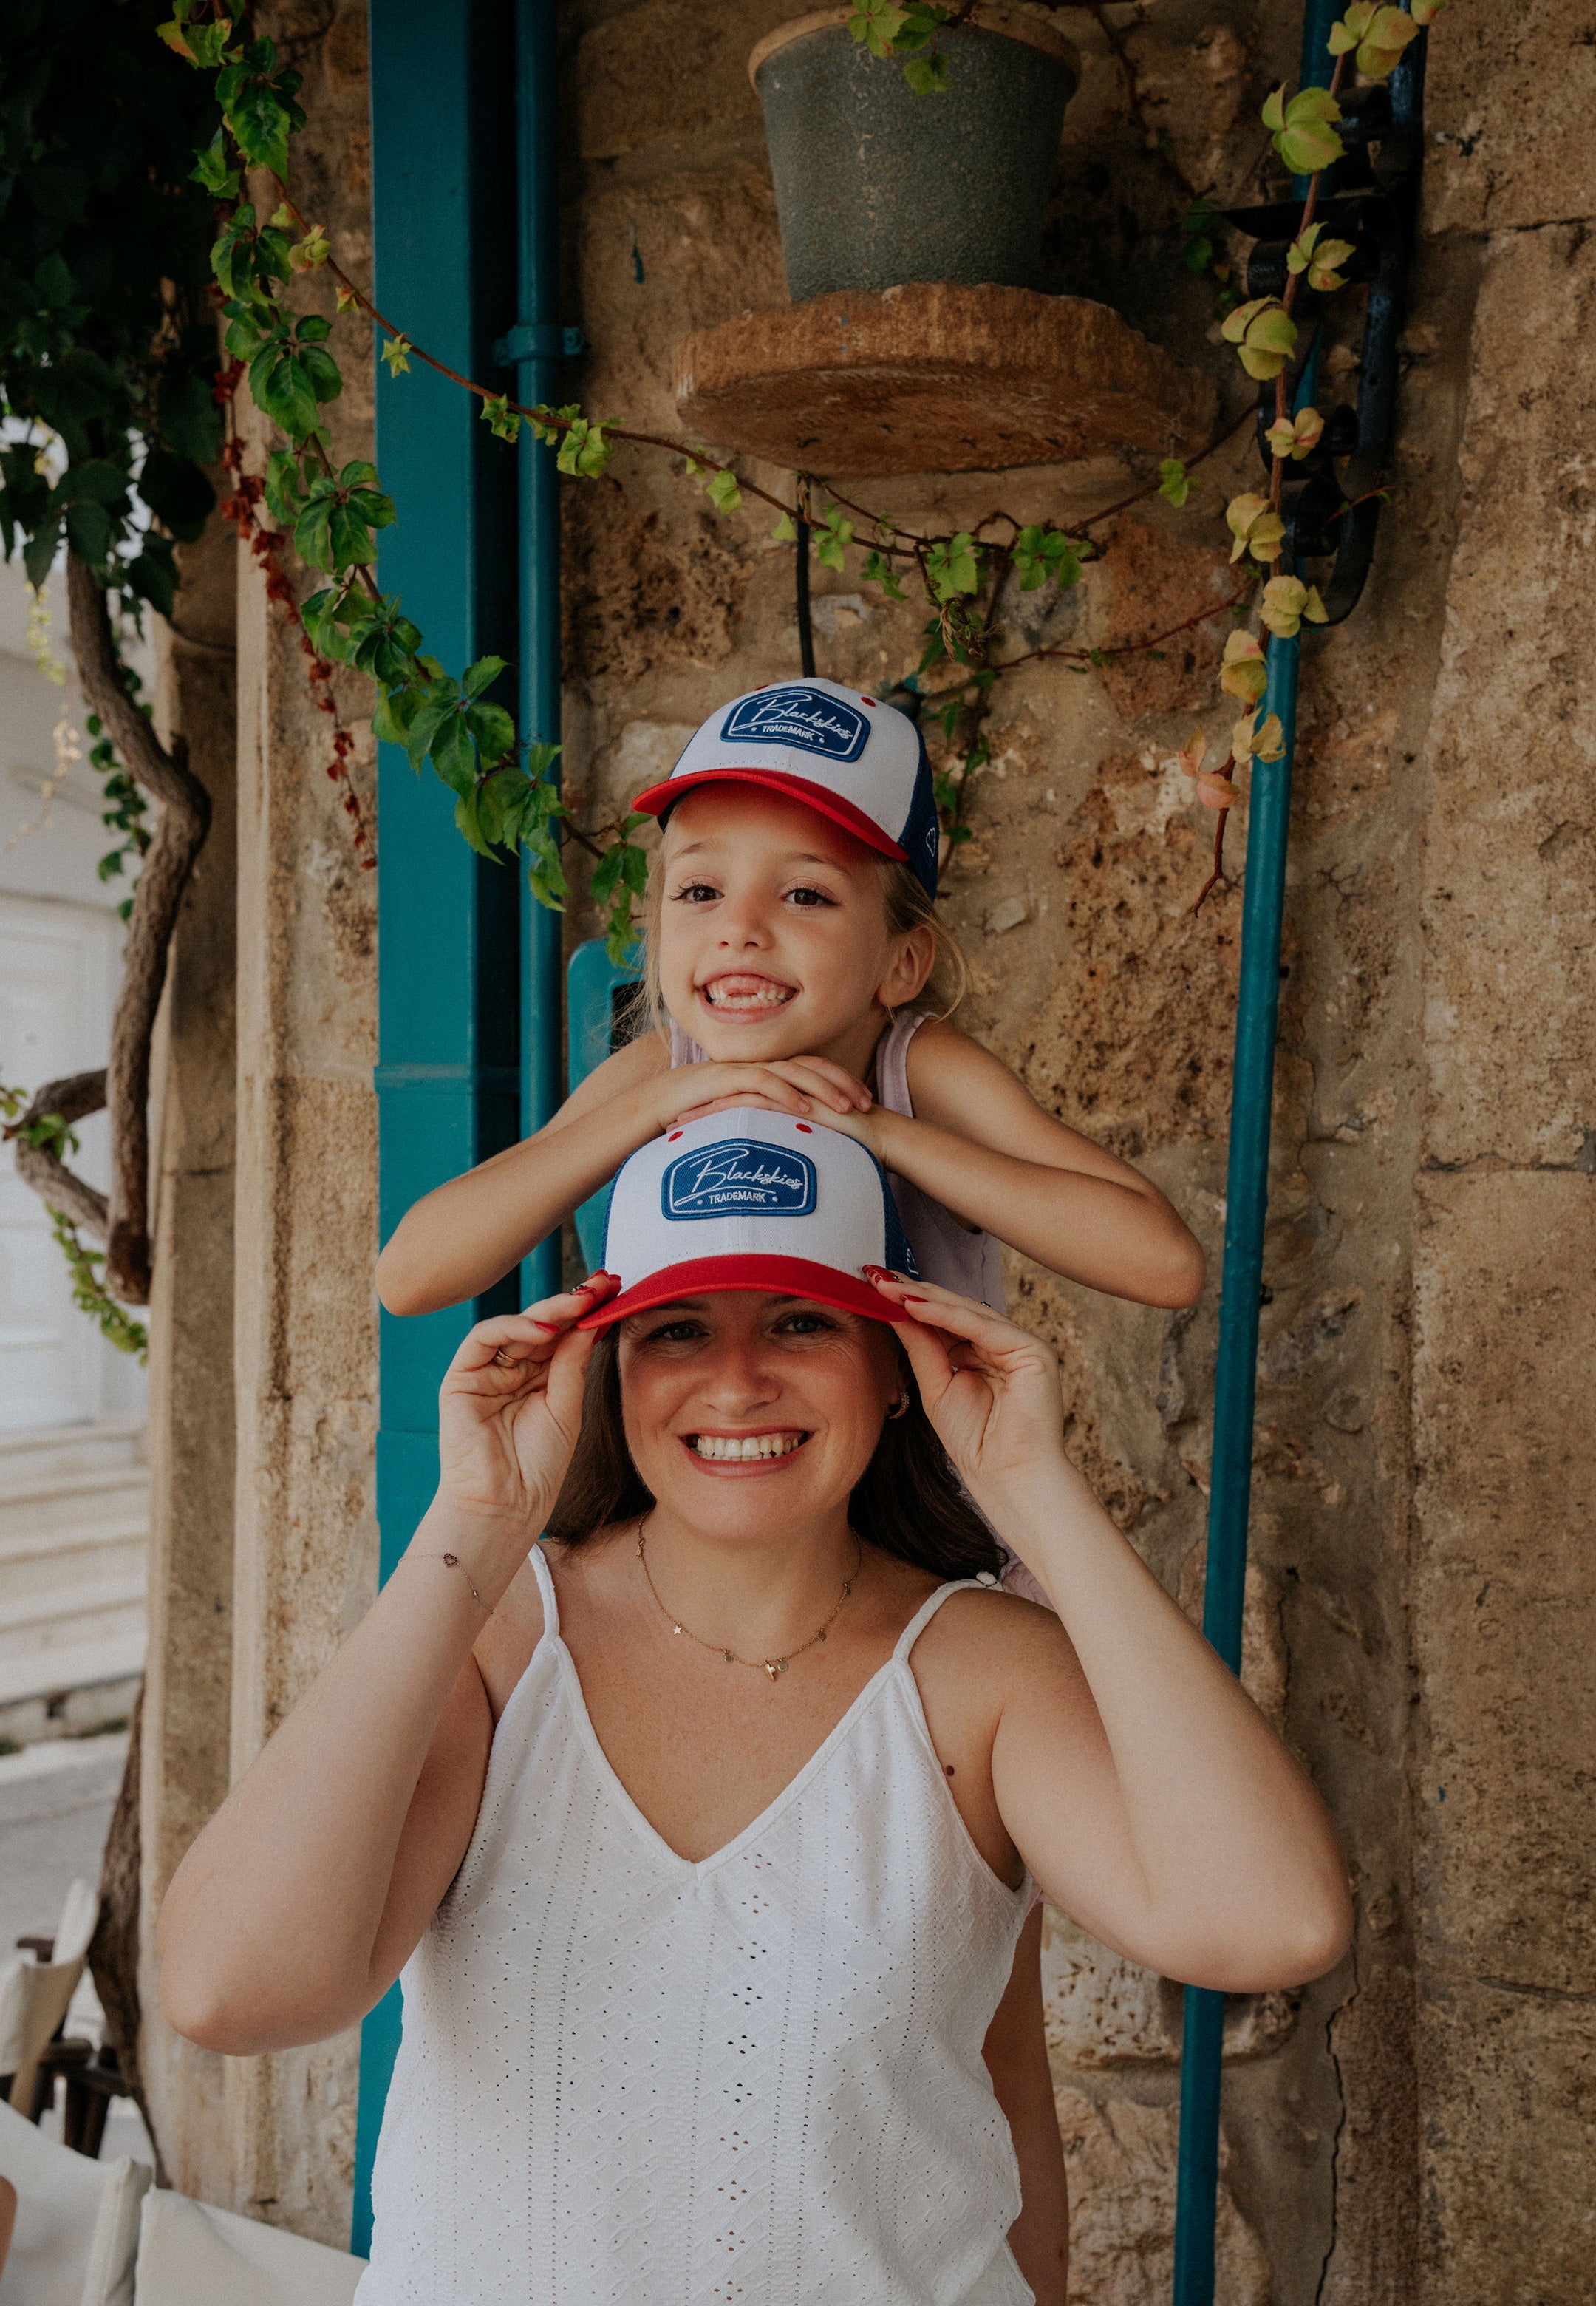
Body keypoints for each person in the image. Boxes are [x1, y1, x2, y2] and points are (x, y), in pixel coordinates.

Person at [160, 1112, 1350, 2306]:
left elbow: (1270, 1925)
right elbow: (228, 1989)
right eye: (678, 1329)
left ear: (896, 1364)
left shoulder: (985, 1676)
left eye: (801, 1321)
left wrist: (1035, 1492)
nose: (736, 1382)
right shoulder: (498, 1645)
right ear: (609, 1368)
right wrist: (472, 1526)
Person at [374, 677, 1210, 2259]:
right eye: (698, 891)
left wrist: (889, 1140)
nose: (741, 931)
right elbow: (417, 1268)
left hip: (930, 1564)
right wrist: (661, 1101)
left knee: (968, 1995)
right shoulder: (656, 1065)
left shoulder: (915, 1062)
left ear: (899, 955)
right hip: (703, 1523)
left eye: (807, 894)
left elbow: (1157, 1258)